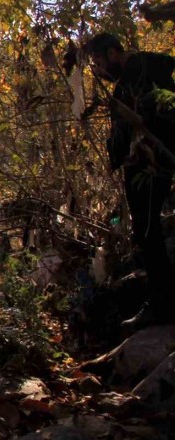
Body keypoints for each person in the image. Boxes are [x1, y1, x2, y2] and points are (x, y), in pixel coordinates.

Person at [86, 32, 175, 329]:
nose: (97, 70)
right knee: (145, 232)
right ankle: (160, 302)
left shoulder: (147, 72)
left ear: (113, 53)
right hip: (145, 166)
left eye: (98, 61)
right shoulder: (130, 82)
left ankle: (162, 305)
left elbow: (156, 116)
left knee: (148, 231)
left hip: (154, 166)